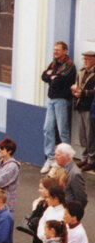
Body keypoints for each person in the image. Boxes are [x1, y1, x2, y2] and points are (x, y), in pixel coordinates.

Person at [41, 41, 77, 173]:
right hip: (51, 99)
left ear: (65, 51)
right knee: (47, 128)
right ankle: (50, 158)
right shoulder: (54, 63)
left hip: (62, 100)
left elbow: (59, 81)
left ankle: (66, 160)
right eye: (54, 49)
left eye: (58, 50)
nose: (55, 52)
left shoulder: (69, 65)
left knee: (63, 131)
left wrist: (52, 76)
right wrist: (52, 76)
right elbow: (44, 76)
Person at [72, 51, 95, 169]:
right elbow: (77, 85)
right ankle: (84, 157)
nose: (85, 61)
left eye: (88, 59)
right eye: (84, 59)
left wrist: (83, 92)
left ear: (93, 60)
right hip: (80, 106)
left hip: (90, 108)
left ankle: (91, 161)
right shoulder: (81, 72)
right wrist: (75, 90)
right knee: (82, 135)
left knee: (90, 134)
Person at [54, 143, 87, 208]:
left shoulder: (75, 174)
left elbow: (81, 199)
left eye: (58, 155)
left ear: (67, 156)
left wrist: (73, 214)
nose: (55, 157)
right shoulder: (60, 168)